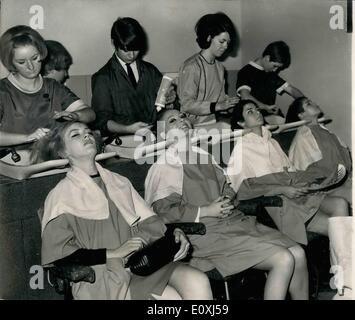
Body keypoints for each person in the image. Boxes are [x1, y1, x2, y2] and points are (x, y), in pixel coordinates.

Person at [145, 109, 309, 300]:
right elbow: (164, 214)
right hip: (203, 235)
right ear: (163, 134)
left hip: (234, 225)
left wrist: (227, 199)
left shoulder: (203, 155)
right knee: (284, 259)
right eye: (172, 120)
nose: (182, 120)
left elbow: (228, 188)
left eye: (182, 116)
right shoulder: (165, 166)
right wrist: (206, 210)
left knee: (298, 253)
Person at [39, 120, 212, 300]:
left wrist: (173, 234)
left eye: (88, 131)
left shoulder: (119, 182)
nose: (86, 135)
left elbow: (152, 224)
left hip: (141, 264)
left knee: (197, 281)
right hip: (103, 276)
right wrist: (113, 253)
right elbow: (60, 255)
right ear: (62, 152)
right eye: (75, 134)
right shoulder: (60, 195)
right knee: (171, 299)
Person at [226, 100, 350, 245]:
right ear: (241, 123)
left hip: (298, 195)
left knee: (340, 204)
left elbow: (291, 172)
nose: (257, 112)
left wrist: (313, 182)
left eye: (257, 109)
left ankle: (342, 264)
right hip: (282, 204)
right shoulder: (241, 149)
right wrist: (281, 189)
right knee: (341, 230)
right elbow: (241, 190)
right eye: (250, 111)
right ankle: (343, 265)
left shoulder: (272, 142)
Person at [0, 25, 95, 148]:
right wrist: (27, 138)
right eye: (21, 62)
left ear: (41, 53)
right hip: (15, 161)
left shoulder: (53, 86)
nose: (30, 66)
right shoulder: (3, 91)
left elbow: (90, 114)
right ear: (10, 62)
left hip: (53, 159)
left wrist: (75, 115)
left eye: (35, 58)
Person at [91, 17, 176, 138]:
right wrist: (127, 129)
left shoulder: (150, 71)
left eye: (136, 49)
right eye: (126, 50)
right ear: (113, 43)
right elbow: (101, 121)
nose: (131, 55)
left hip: (154, 137)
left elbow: (163, 107)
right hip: (121, 141)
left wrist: (170, 99)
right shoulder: (103, 78)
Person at [177, 12, 239, 128]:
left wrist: (231, 105)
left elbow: (220, 100)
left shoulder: (220, 68)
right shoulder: (191, 66)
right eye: (222, 41)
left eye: (228, 42)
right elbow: (186, 104)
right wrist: (219, 106)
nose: (226, 46)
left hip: (212, 124)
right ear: (209, 37)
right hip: (189, 126)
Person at [286, 97, 352, 204]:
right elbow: (304, 170)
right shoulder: (303, 136)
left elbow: (343, 155)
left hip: (342, 180)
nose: (315, 103)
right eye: (308, 104)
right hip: (325, 187)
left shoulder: (325, 131)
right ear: (301, 115)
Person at [236, 41, 304, 125]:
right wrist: (264, 107)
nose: (275, 70)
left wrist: (304, 104)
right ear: (267, 58)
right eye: (275, 66)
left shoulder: (270, 74)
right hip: (251, 119)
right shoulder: (246, 71)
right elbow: (245, 96)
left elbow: (292, 90)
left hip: (268, 116)